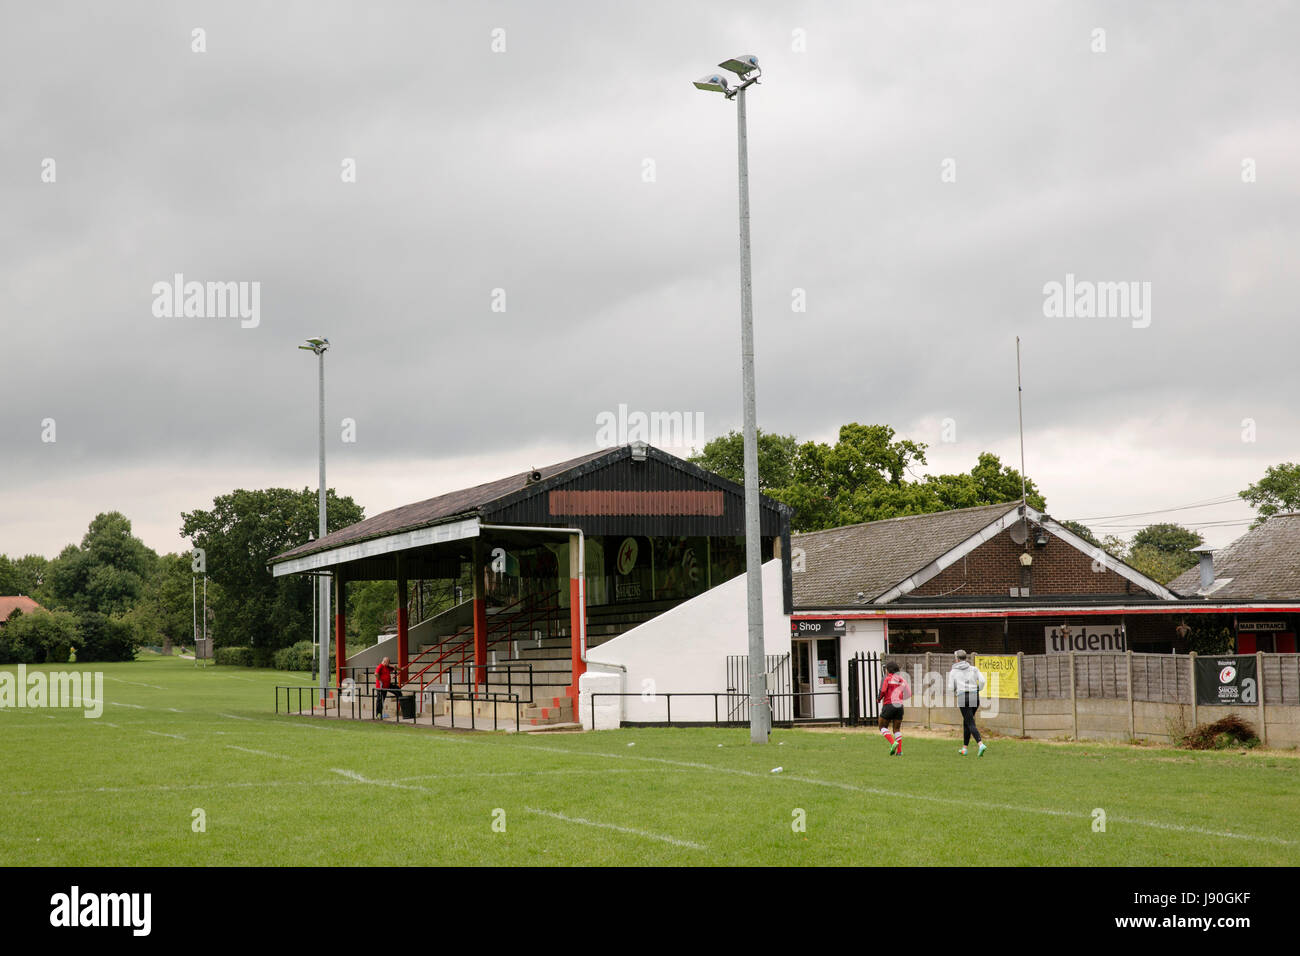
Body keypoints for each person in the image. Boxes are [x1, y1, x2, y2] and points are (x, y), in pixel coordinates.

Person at [947, 650, 986, 756]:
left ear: (957, 659)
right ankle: (964, 748)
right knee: (967, 722)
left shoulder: (953, 672)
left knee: (970, 722)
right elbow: (982, 681)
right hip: (974, 696)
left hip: (963, 697)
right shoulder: (973, 669)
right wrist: (978, 689)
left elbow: (950, 688)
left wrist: (956, 690)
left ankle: (980, 744)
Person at [877, 661, 911, 755]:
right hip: (899, 706)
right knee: (896, 729)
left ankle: (893, 743)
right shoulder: (902, 680)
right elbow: (909, 694)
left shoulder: (887, 679)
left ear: (888, 670)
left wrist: (878, 699)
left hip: (889, 705)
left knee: (882, 726)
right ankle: (899, 751)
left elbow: (883, 691)